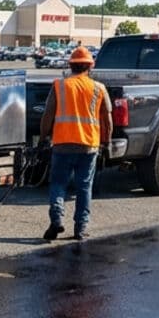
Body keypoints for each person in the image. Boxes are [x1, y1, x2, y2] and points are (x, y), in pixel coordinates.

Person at [38, 45, 112, 242]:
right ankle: (80, 229)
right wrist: (106, 142)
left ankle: (56, 217)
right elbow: (107, 120)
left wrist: (44, 136)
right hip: (88, 146)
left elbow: (48, 115)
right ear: (90, 67)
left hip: (62, 144)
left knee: (58, 184)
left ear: (71, 66)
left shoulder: (59, 85)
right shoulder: (99, 88)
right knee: (84, 187)